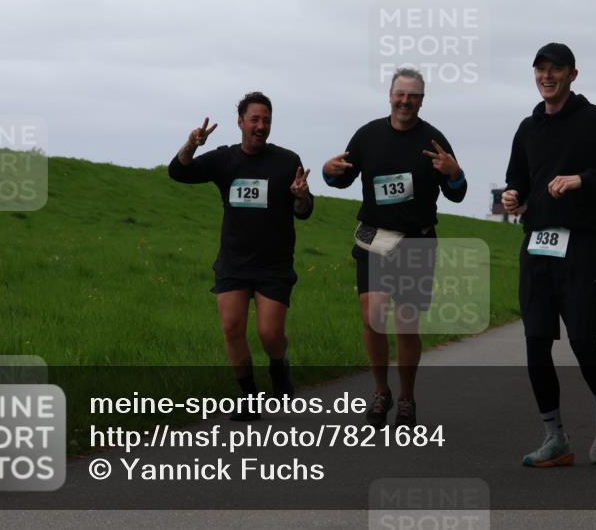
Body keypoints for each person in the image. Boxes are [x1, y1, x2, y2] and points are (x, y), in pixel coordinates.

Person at [501, 42, 596, 467]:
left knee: (583, 340)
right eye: (540, 70)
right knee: (535, 343)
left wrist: (583, 179)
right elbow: (517, 180)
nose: (547, 76)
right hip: (537, 243)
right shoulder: (528, 128)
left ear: (573, 74)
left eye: (556, 69)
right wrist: (513, 198)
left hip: (581, 243)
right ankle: (555, 437)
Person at [322, 68, 467, 428]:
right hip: (374, 237)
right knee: (372, 315)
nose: (405, 101)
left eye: (413, 95)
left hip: (416, 239)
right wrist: (327, 171)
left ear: (421, 99)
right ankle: (380, 391)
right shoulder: (368, 136)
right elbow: (340, 178)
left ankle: (406, 398)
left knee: (406, 323)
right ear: (389, 96)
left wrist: (454, 173)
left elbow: (458, 193)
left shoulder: (434, 140)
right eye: (400, 94)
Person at [168, 92, 313, 421]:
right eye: (255, 120)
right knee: (232, 328)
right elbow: (178, 171)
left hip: (274, 264)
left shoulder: (287, 161)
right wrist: (193, 144)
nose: (261, 126)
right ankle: (249, 397)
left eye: (266, 120)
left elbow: (303, 211)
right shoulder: (224, 159)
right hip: (234, 261)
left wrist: (301, 197)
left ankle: (279, 366)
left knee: (269, 334)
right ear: (240, 122)